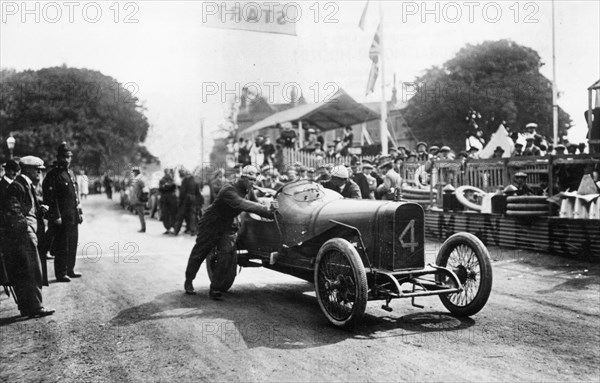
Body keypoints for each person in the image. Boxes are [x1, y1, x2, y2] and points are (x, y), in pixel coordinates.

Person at [183, 165, 278, 298]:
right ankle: (189, 280)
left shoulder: (248, 189)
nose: (253, 182)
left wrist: (273, 213)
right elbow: (244, 204)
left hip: (229, 225)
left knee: (227, 253)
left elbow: (256, 204)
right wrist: (267, 209)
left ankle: (215, 287)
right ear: (243, 177)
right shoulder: (229, 189)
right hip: (212, 223)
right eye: (250, 179)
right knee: (200, 252)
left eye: (254, 180)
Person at [2, 156, 54, 318]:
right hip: (23, 236)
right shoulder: (17, 186)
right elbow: (12, 212)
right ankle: (35, 307)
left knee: (28, 271)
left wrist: (40, 212)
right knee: (31, 271)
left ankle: (28, 307)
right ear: (28, 170)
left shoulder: (25, 185)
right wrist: (27, 228)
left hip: (28, 234)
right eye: (37, 170)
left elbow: (25, 209)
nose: (40, 173)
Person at [43, 142, 82, 282]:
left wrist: (79, 211)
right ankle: (61, 272)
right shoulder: (53, 175)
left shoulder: (70, 173)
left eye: (68, 157)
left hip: (72, 216)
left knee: (72, 243)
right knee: (62, 245)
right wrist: (56, 216)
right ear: (58, 158)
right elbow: (51, 198)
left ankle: (70, 269)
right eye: (63, 157)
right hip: (62, 217)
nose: (66, 160)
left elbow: (75, 194)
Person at [174, 168, 204, 236]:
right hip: (194, 198)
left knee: (181, 214)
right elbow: (199, 191)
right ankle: (193, 231)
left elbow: (182, 191)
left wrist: (180, 200)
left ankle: (176, 230)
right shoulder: (198, 179)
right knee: (193, 215)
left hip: (186, 198)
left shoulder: (185, 179)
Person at [158, 168, 178, 234]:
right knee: (168, 213)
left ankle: (170, 228)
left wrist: (166, 186)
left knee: (169, 213)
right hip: (168, 198)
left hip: (168, 198)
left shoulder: (168, 180)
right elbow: (161, 188)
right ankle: (170, 228)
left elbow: (162, 189)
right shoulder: (166, 180)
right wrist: (168, 186)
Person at [130, 166, 147, 233]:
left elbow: (145, 190)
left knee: (141, 215)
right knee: (140, 215)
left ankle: (143, 228)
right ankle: (143, 227)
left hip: (139, 200)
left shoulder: (139, 180)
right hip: (138, 200)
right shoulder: (137, 180)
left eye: (133, 172)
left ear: (136, 173)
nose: (132, 174)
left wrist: (142, 198)